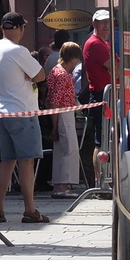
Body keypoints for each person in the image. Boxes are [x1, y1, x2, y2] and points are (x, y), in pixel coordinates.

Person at [0, 13, 47, 224]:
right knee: (26, 162)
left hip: (2, 111)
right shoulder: (18, 50)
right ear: (20, 28)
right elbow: (40, 75)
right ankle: (30, 209)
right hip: (22, 112)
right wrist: (29, 74)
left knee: (7, 162)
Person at [47, 43, 81, 198]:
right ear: (73, 59)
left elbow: (51, 100)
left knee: (60, 151)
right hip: (64, 113)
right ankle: (64, 185)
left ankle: (58, 185)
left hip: (58, 113)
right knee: (70, 149)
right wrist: (55, 126)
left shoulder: (54, 71)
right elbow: (56, 101)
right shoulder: (65, 76)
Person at [80, 10, 112, 176]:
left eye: (108, 21)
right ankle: (99, 181)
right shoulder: (95, 43)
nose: (106, 25)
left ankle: (104, 180)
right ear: (94, 24)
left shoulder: (103, 43)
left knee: (107, 140)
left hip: (106, 95)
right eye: (102, 22)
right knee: (101, 141)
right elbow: (117, 69)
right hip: (102, 96)